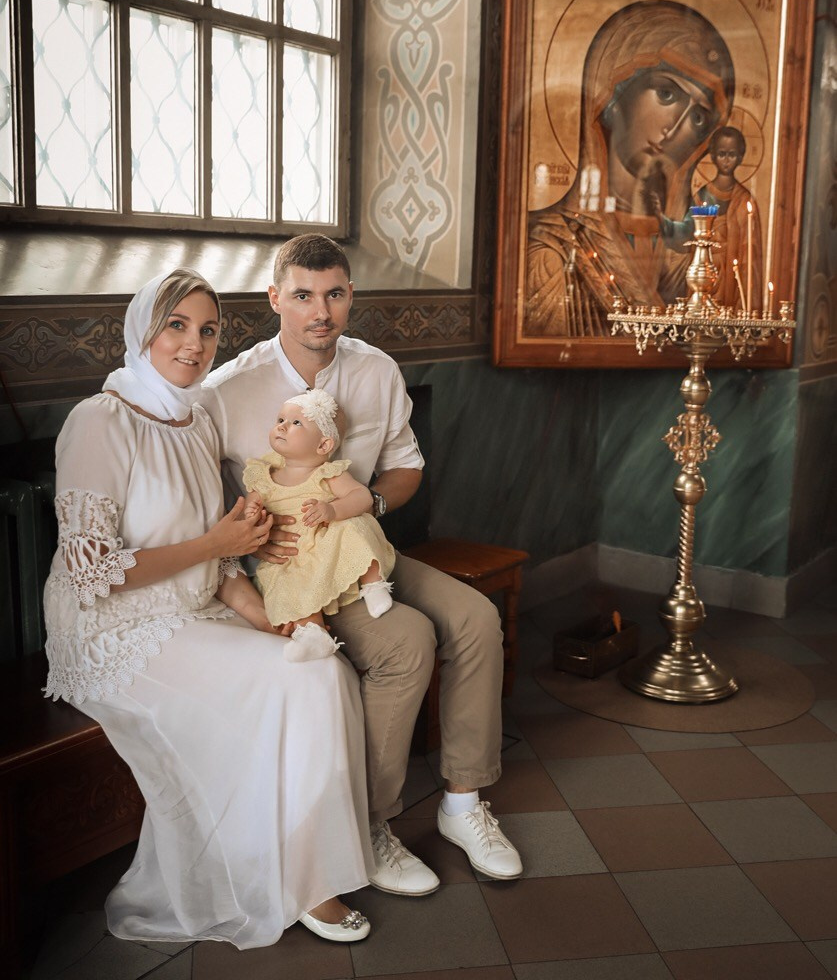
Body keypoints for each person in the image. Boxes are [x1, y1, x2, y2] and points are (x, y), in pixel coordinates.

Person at [43, 267, 374, 948]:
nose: (194, 344)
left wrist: (272, 622)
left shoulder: (195, 422)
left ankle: (303, 865)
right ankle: (295, 882)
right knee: (282, 684)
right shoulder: (99, 421)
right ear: (144, 329)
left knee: (320, 669)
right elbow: (91, 573)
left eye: (208, 330)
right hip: (114, 630)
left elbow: (222, 565)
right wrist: (216, 544)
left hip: (194, 612)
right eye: (177, 325)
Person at [201, 234, 523, 894]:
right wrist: (246, 541)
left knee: (475, 618)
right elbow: (200, 504)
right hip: (291, 567)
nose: (320, 312)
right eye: (302, 296)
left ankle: (462, 803)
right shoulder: (227, 390)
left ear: (350, 296)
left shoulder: (376, 370)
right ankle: (367, 825)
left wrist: (366, 501)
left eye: (334, 295)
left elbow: (405, 467)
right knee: (407, 639)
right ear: (274, 299)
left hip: (364, 546)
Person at [526, 0, 735, 337]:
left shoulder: (695, 260)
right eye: (666, 94)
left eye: (698, 117)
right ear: (612, 95)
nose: (676, 127)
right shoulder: (550, 253)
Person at [242, 388, 395, 662]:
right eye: (280, 420)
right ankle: (314, 634)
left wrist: (333, 510)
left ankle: (373, 583)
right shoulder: (263, 474)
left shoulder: (326, 473)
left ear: (323, 446)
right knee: (288, 582)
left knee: (353, 525)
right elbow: (250, 511)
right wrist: (252, 512)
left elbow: (362, 496)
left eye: (295, 423)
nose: (282, 427)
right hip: (292, 556)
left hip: (324, 545)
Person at [652, 125, 763, 311]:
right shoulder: (702, 196)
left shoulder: (745, 201)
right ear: (712, 156)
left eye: (732, 154)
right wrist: (662, 220)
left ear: (740, 157)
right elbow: (687, 232)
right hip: (702, 274)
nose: (726, 160)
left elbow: (751, 253)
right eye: (721, 154)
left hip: (731, 281)